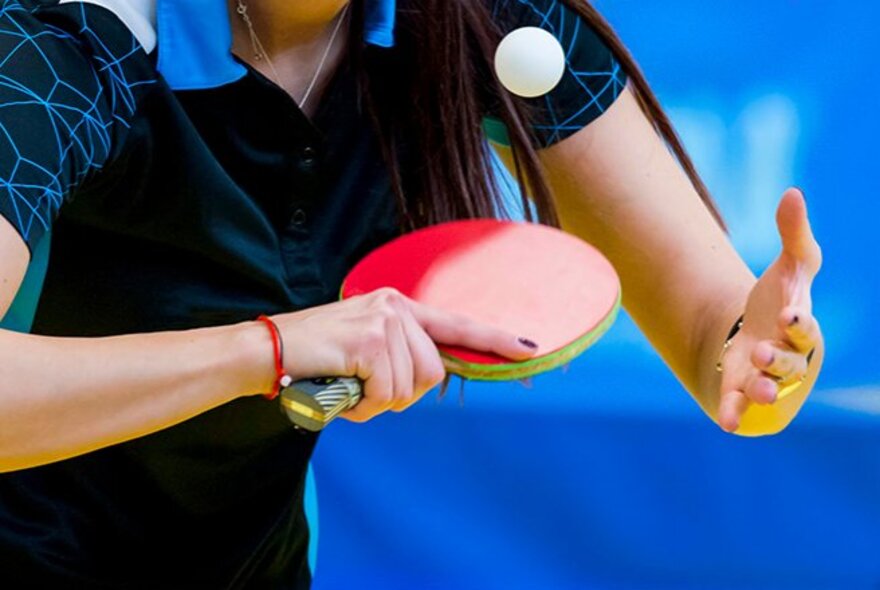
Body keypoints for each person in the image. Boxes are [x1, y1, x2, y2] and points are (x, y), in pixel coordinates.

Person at [0, 0, 823, 586]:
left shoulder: (477, 21)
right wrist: (271, 350)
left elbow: (724, 350)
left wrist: (764, 360)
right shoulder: (64, 52)